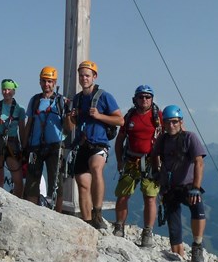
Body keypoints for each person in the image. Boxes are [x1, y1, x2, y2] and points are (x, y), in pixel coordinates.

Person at [65, 60, 124, 229]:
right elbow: (70, 128)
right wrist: (70, 117)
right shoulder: (77, 99)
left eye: (87, 75)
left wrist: (99, 116)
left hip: (99, 142)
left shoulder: (104, 96)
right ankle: (87, 221)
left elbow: (120, 120)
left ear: (94, 77)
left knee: (96, 168)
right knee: (82, 183)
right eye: (81, 75)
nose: (84, 78)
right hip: (82, 144)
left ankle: (97, 213)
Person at [155, 105, 207, 262]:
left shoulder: (190, 138)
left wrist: (196, 188)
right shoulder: (162, 140)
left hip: (188, 186)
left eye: (174, 122)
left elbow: (199, 162)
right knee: (173, 224)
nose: (171, 125)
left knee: (198, 210)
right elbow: (154, 156)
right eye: (168, 122)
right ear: (163, 123)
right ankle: (179, 259)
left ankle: (197, 246)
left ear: (181, 122)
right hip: (170, 188)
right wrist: (158, 175)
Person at [113, 85, 162, 247]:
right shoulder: (130, 116)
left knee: (150, 197)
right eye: (141, 97)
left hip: (151, 161)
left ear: (152, 99)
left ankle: (147, 232)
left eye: (147, 97)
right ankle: (119, 227)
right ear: (136, 99)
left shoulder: (158, 117)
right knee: (123, 195)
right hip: (131, 160)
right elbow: (120, 140)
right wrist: (120, 160)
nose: (144, 100)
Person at [22, 66, 68, 211]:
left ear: (54, 83)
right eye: (44, 81)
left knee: (56, 183)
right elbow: (29, 123)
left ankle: (58, 215)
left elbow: (68, 127)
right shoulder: (35, 100)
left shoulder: (61, 101)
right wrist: (24, 146)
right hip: (35, 146)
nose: (46, 84)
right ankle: (32, 213)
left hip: (55, 145)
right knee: (32, 182)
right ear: (40, 82)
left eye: (49, 81)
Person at [0, 79, 27, 197]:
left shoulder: (20, 109)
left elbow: (22, 129)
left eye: (9, 89)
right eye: (4, 89)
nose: (6, 92)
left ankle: (17, 204)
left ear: (13, 91)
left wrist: (24, 147)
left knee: (18, 179)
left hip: (12, 141)